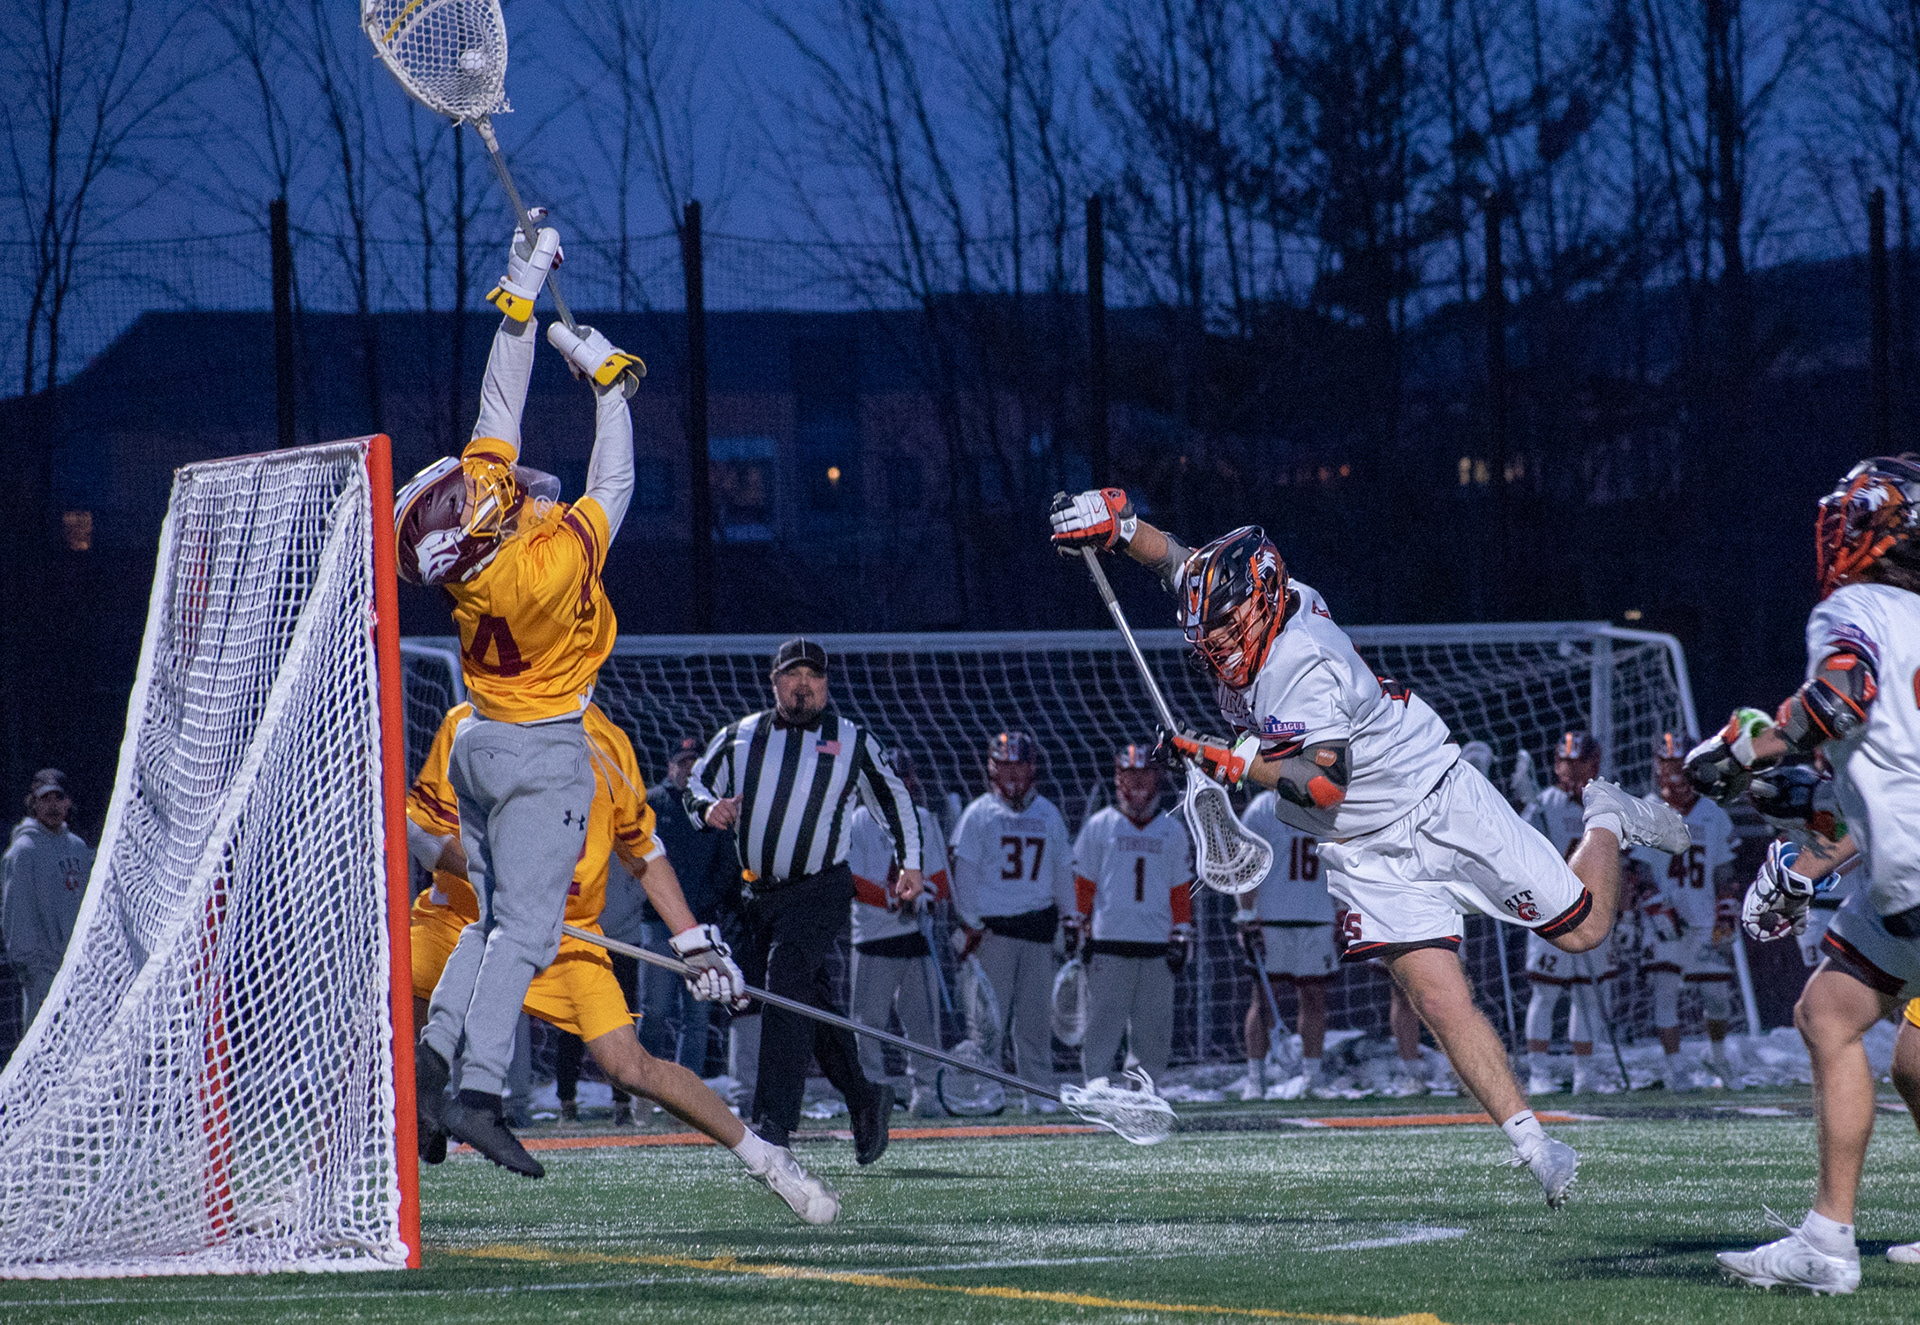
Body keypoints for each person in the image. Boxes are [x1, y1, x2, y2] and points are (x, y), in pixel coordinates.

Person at [1050, 489, 1688, 1207]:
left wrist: (1230, 759)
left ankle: (1607, 814)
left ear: (1262, 601)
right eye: (1209, 633)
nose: (1217, 646)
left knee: (1585, 929)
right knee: (1437, 997)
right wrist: (1118, 524)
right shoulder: (1245, 597)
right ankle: (1534, 1143)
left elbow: (1322, 786)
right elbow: (1172, 557)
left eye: (1227, 629)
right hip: (1364, 848)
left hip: (1434, 796)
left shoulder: (1304, 661)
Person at [394, 213, 740, 1177]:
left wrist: (521, 286)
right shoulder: (538, 570)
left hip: (479, 742)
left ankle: (432, 1058)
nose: (490, 487)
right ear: (476, 533)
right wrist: (608, 384)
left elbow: (498, 404)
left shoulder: (477, 553)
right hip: (545, 748)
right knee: (526, 930)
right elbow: (616, 483)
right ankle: (477, 1090)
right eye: (471, 499)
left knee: (490, 917)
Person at [405, 702, 835, 1220]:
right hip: (466, 919)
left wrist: (694, 943)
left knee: (629, 1066)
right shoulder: (469, 721)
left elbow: (643, 852)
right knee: (380, 1026)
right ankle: (320, 1183)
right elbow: (423, 834)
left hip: (568, 937)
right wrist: (505, 878)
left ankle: (768, 1159)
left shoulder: (606, 744)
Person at [1685, 455, 1920, 1293]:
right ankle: (1826, 1234)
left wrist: (1747, 746)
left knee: (1842, 1022)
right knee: (1834, 1009)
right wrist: (1819, 819)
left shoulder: (1858, 608)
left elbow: (1842, 696)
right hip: (1908, 869)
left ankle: (1828, 1240)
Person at [685, 637, 923, 1162]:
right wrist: (707, 810)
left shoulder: (851, 738)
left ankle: (774, 1124)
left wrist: (910, 863)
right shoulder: (741, 736)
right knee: (803, 1000)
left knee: (784, 984)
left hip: (819, 888)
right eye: (793, 676)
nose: (804, 686)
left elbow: (893, 795)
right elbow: (695, 783)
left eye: (814, 677)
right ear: (774, 683)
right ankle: (864, 1097)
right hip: (756, 893)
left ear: (827, 684)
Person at [948, 731, 1075, 1112]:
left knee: (1034, 1023)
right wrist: (968, 923)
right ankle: (986, 1093)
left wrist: (1071, 919)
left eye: (1018, 765)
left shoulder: (1048, 814)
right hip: (993, 933)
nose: (1011, 773)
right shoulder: (979, 814)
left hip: (1037, 931)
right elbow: (964, 875)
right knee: (988, 1024)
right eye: (1004, 765)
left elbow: (1062, 872)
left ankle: (1037, 1093)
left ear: (1032, 767)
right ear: (991, 768)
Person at [1068, 745, 1193, 1087]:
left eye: (1146, 774)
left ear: (1158, 778)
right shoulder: (1100, 825)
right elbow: (1084, 884)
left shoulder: (1171, 830)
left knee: (1153, 1025)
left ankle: (1143, 1088)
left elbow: (1179, 889)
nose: (1138, 783)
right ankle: (1095, 1084)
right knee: (1103, 1020)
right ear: (1118, 779)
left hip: (1156, 942)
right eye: (1131, 775)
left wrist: (1182, 930)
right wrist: (1076, 923)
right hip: (1108, 940)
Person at [1629, 732, 1742, 1091]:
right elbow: (1638, 869)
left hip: (1704, 916)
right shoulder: (1648, 809)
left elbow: (1724, 868)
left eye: (1678, 766)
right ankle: (1674, 1066)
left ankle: (1718, 1056)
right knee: (1665, 993)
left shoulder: (1713, 812)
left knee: (1718, 997)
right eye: (1665, 766)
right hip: (1664, 918)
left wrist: (1726, 907)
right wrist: (1653, 904)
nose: (1671, 775)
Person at [847, 750, 952, 1117]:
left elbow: (940, 878)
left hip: (916, 939)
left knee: (923, 1023)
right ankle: (871, 1093)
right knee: (868, 1025)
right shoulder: (857, 821)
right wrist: (895, 899)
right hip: (874, 938)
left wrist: (928, 896)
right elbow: (852, 881)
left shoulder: (924, 819)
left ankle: (927, 1091)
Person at [1519, 732, 1621, 1096]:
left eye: (1577, 762)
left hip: (1593, 910)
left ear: (1594, 763)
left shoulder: (1607, 803)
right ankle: (1539, 1072)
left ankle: (1585, 1074)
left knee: (1587, 995)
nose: (1569, 770)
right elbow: (1519, 854)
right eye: (1564, 762)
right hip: (1550, 911)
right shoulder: (1542, 806)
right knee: (1545, 993)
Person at [1234, 789, 1336, 1099]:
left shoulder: (1328, 803)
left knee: (1315, 998)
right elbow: (1245, 864)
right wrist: (1246, 912)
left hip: (1317, 914)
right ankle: (1255, 1078)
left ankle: (1312, 1078)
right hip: (1271, 918)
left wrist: (1344, 909)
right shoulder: (1262, 808)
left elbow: (1342, 860)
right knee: (1263, 1001)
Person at [2, 770, 92, 1032]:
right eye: (45, 799)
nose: (52, 806)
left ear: (68, 803)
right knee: (43, 1047)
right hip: (41, 972)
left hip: (79, 969)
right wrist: (28, 965)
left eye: (58, 798)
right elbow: (14, 913)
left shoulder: (78, 848)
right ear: (34, 803)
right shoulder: (22, 852)